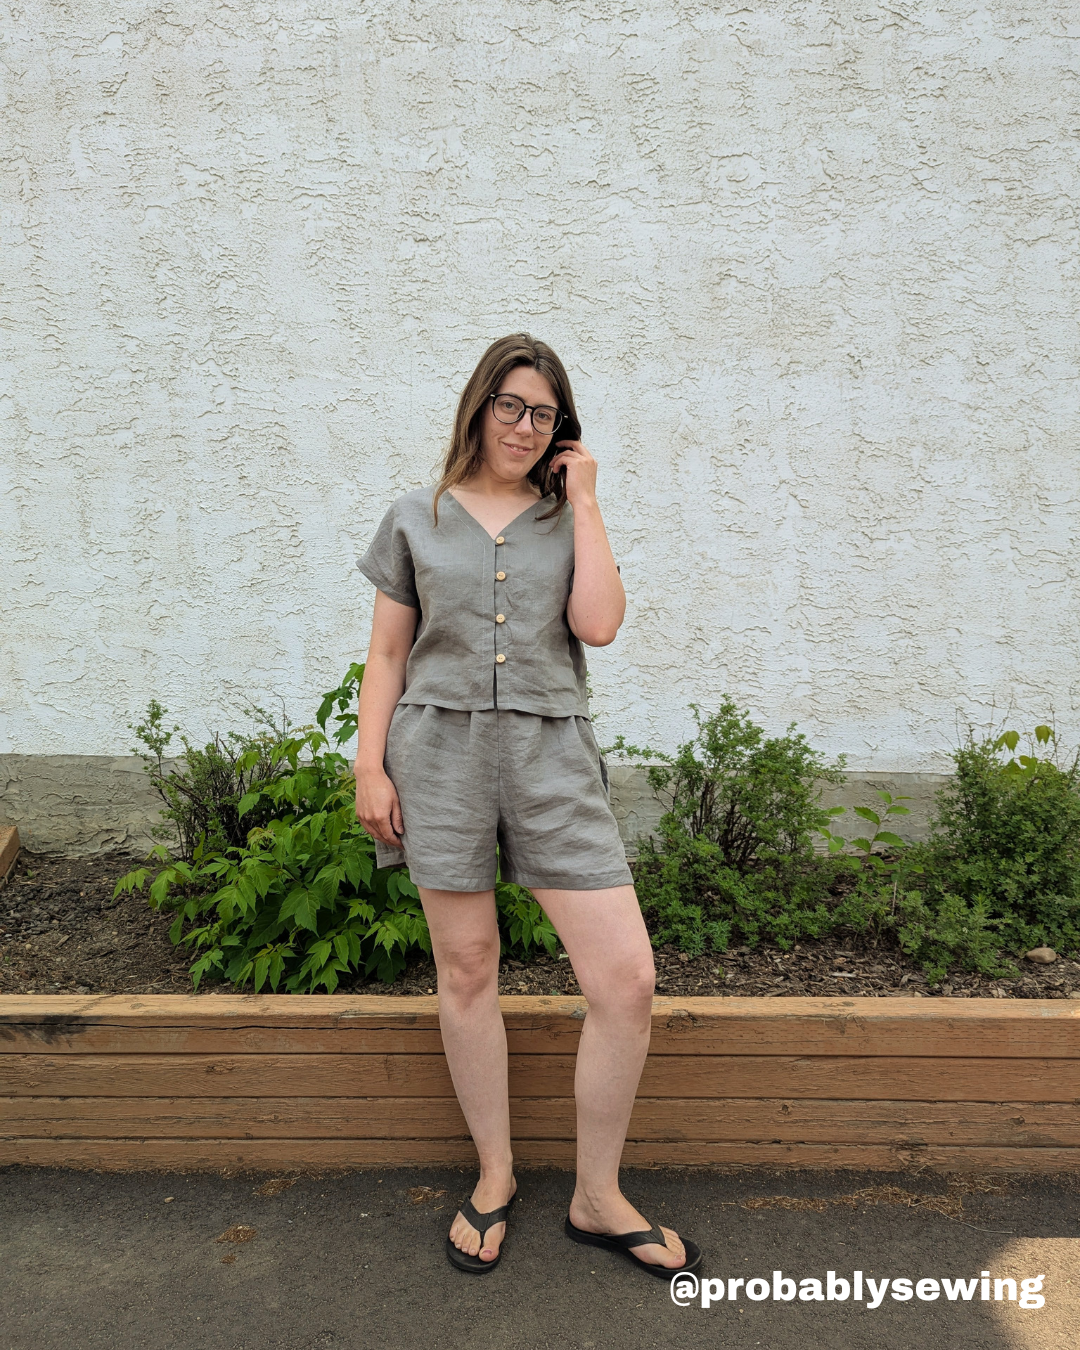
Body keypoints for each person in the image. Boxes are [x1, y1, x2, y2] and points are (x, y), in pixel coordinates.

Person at [353, 333, 701, 1280]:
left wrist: (585, 499)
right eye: (510, 405)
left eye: (543, 413)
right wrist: (369, 768)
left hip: (552, 757)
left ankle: (598, 1195)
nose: (524, 426)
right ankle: (496, 1172)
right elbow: (387, 655)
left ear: (562, 428)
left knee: (626, 978)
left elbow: (599, 625)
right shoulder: (415, 517)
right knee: (468, 968)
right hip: (439, 755)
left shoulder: (567, 517)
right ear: (480, 408)